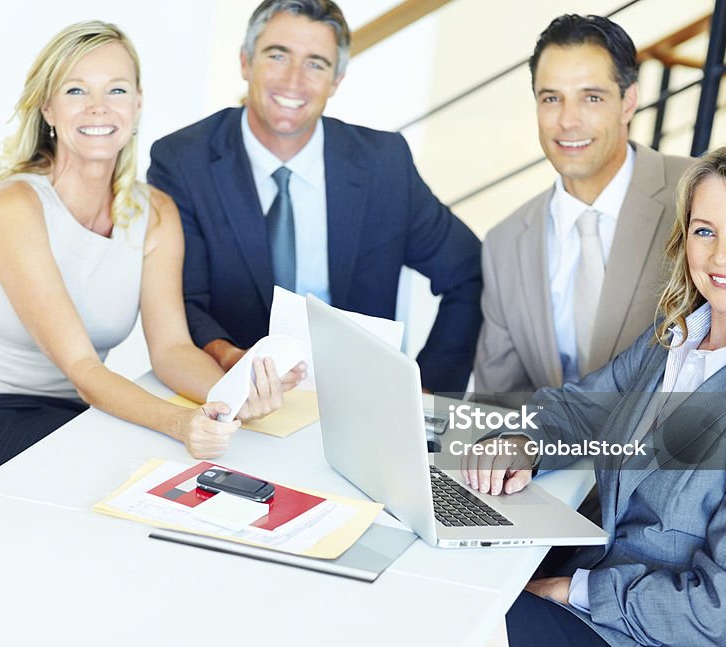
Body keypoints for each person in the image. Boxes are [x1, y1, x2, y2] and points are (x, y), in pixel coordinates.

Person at [0, 21, 301, 519]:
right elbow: (84, 370)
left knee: (154, 483)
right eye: (76, 89)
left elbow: (171, 350)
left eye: (117, 90)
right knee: (100, 492)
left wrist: (229, 395)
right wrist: (179, 422)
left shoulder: (157, 214)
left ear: (137, 105)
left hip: (65, 417)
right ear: (48, 109)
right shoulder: (16, 205)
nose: (98, 107)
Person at [462, 142, 726, 646]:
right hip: (584, 580)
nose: (721, 255)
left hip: (644, 633)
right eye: (705, 231)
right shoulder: (674, 338)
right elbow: (579, 408)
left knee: (455, 623)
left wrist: (571, 591)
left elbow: (720, 610)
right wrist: (521, 441)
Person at [147, 0, 483, 394]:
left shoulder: (383, 165)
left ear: (336, 80)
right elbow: (182, 297)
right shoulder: (184, 161)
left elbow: (469, 271)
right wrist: (227, 357)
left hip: (358, 396)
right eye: (278, 55)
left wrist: (425, 391)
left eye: (316, 63)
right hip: (232, 388)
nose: (293, 80)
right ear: (244, 62)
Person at [475, 14, 693, 407]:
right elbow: (497, 402)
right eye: (551, 98)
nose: (567, 121)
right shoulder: (504, 244)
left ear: (629, 102)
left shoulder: (696, 195)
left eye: (591, 97)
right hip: (546, 461)